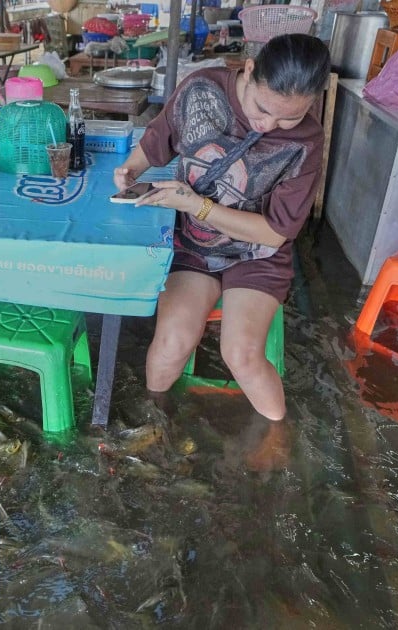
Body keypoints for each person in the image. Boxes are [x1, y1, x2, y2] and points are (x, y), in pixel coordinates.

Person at [113, 33, 329, 421]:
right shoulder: (201, 90)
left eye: (290, 117)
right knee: (171, 342)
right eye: (263, 109)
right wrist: (131, 169)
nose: (269, 125)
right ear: (248, 70)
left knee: (240, 354)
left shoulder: (307, 143)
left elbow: (275, 233)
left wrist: (198, 205)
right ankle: (154, 422)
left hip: (256, 254)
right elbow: (158, 139)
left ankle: (277, 446)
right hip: (194, 246)